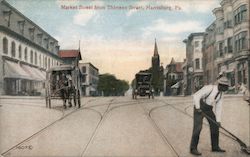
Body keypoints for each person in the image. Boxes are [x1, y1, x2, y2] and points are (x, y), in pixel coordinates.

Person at [190, 76, 229, 156]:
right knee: (198, 128)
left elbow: (219, 106)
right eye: (225, 86)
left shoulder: (221, 94)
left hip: (208, 109)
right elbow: (196, 96)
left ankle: (215, 147)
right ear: (220, 85)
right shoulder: (209, 88)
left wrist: (218, 120)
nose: (225, 88)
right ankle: (193, 148)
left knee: (215, 125)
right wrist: (198, 108)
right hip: (199, 107)